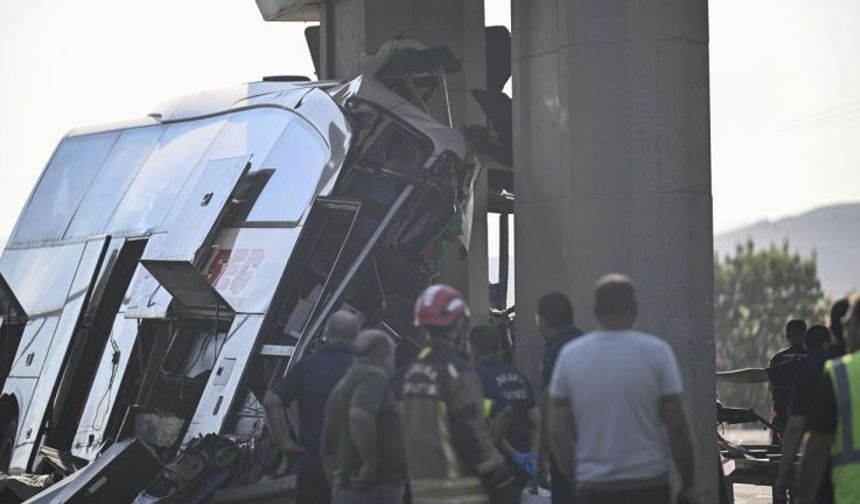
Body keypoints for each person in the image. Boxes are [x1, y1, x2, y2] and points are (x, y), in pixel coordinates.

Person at [548, 274, 696, 504]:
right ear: (635, 309)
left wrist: (576, 481)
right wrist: (688, 486)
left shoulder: (570, 357)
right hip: (649, 485)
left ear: (595, 311)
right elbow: (677, 428)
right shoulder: (658, 353)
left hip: (594, 488)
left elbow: (558, 434)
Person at [399, 284, 518, 504]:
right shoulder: (458, 373)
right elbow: (470, 431)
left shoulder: (403, 377)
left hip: (417, 493)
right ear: (459, 323)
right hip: (462, 494)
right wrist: (499, 471)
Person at [263, 310, 359, 504]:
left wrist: (285, 444)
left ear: (325, 334)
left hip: (313, 465)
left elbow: (271, 402)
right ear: (356, 337)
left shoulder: (306, 366)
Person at [321, 329, 407, 504]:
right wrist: (370, 463)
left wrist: (338, 486)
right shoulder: (373, 375)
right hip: (377, 489)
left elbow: (327, 452)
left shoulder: (340, 388)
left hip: (346, 491)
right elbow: (359, 415)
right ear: (385, 356)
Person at [795, 294, 860, 504]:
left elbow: (816, 447)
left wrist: (804, 498)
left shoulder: (841, 374)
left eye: (847, 324)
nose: (845, 332)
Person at [716, 319, 809, 442]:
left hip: (783, 424)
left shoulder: (779, 359)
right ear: (805, 335)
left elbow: (761, 379)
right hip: (812, 425)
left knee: (780, 457)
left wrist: (718, 376)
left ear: (787, 337)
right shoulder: (815, 358)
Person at [469, 324, 540, 480]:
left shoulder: (476, 379)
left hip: (497, 466)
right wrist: (532, 457)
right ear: (499, 346)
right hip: (523, 468)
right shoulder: (519, 377)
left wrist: (513, 455)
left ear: (473, 348)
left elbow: (488, 423)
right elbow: (536, 423)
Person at [773, 324, 833, 503]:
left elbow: (795, 428)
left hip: (786, 427)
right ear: (826, 343)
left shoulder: (784, 361)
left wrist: (783, 475)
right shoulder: (836, 365)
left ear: (787, 336)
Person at [535, 292, 582, 503]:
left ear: (542, 322)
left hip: (565, 449)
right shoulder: (587, 343)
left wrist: (543, 456)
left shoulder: (554, 352)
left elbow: (549, 407)